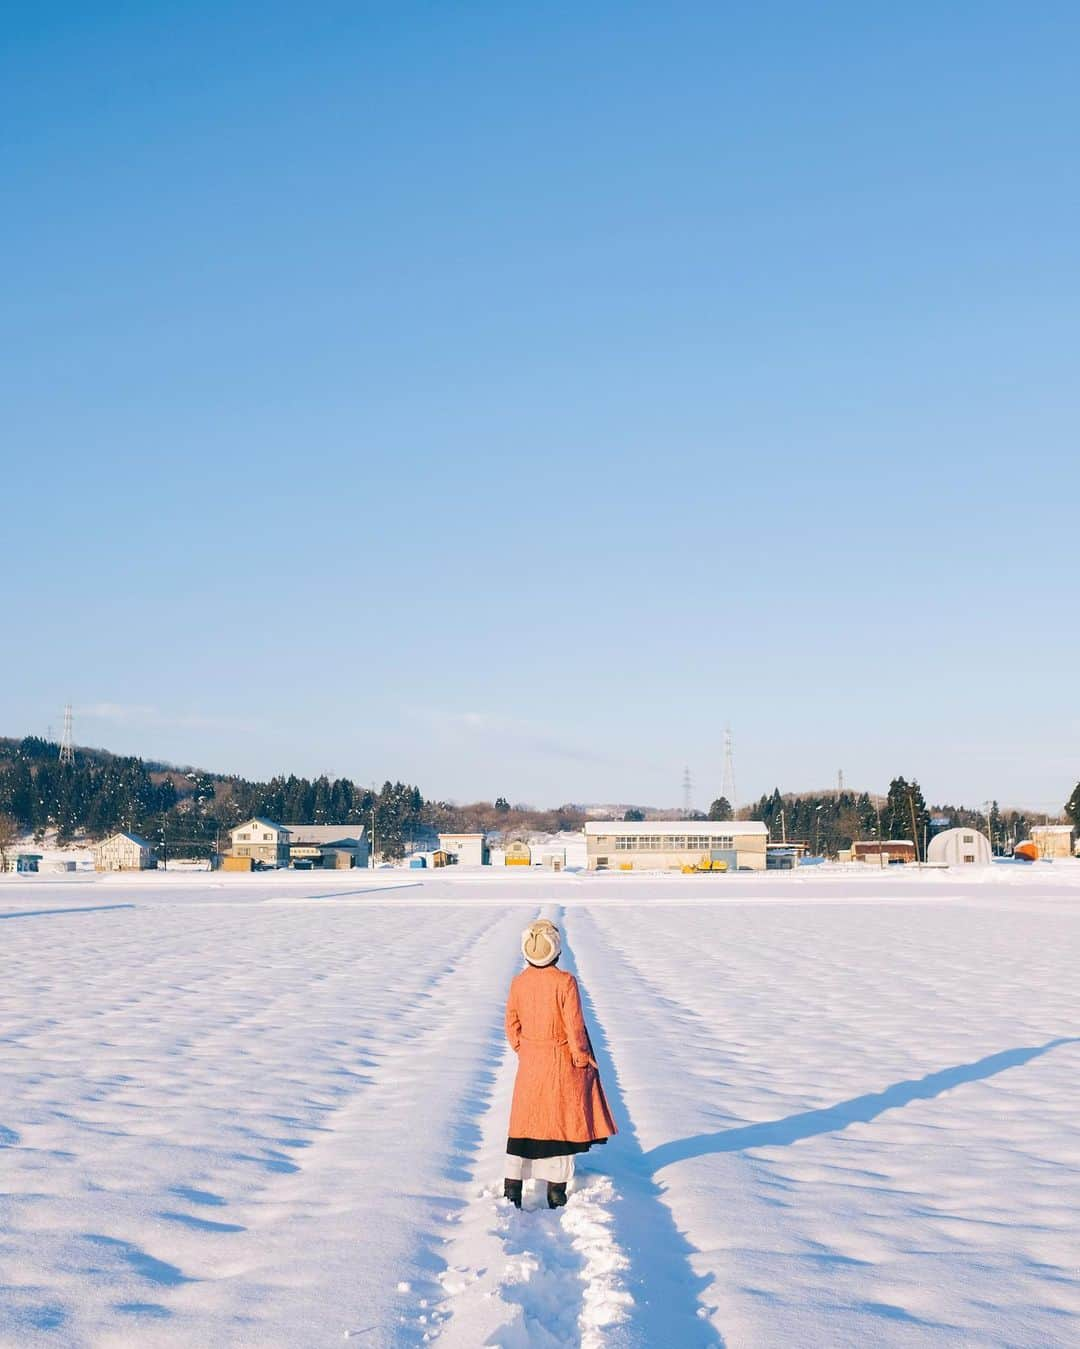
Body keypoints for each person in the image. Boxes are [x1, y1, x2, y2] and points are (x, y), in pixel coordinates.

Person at [503, 919, 617, 1209]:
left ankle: (513, 1188)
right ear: (555, 951)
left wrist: (523, 1048)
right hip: (560, 1060)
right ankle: (555, 1191)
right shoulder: (565, 981)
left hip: (530, 1061)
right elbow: (574, 1026)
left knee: (525, 1121)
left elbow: (511, 1024)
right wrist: (581, 1057)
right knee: (559, 1123)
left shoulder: (519, 982)